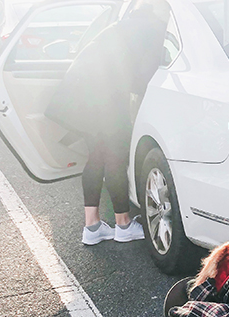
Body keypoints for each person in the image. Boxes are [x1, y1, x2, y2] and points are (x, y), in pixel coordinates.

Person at [44, 0, 168, 245]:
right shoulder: (154, 31)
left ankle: (92, 227)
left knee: (97, 156)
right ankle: (123, 225)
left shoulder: (122, 25)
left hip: (79, 92)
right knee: (115, 157)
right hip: (105, 96)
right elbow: (145, 76)